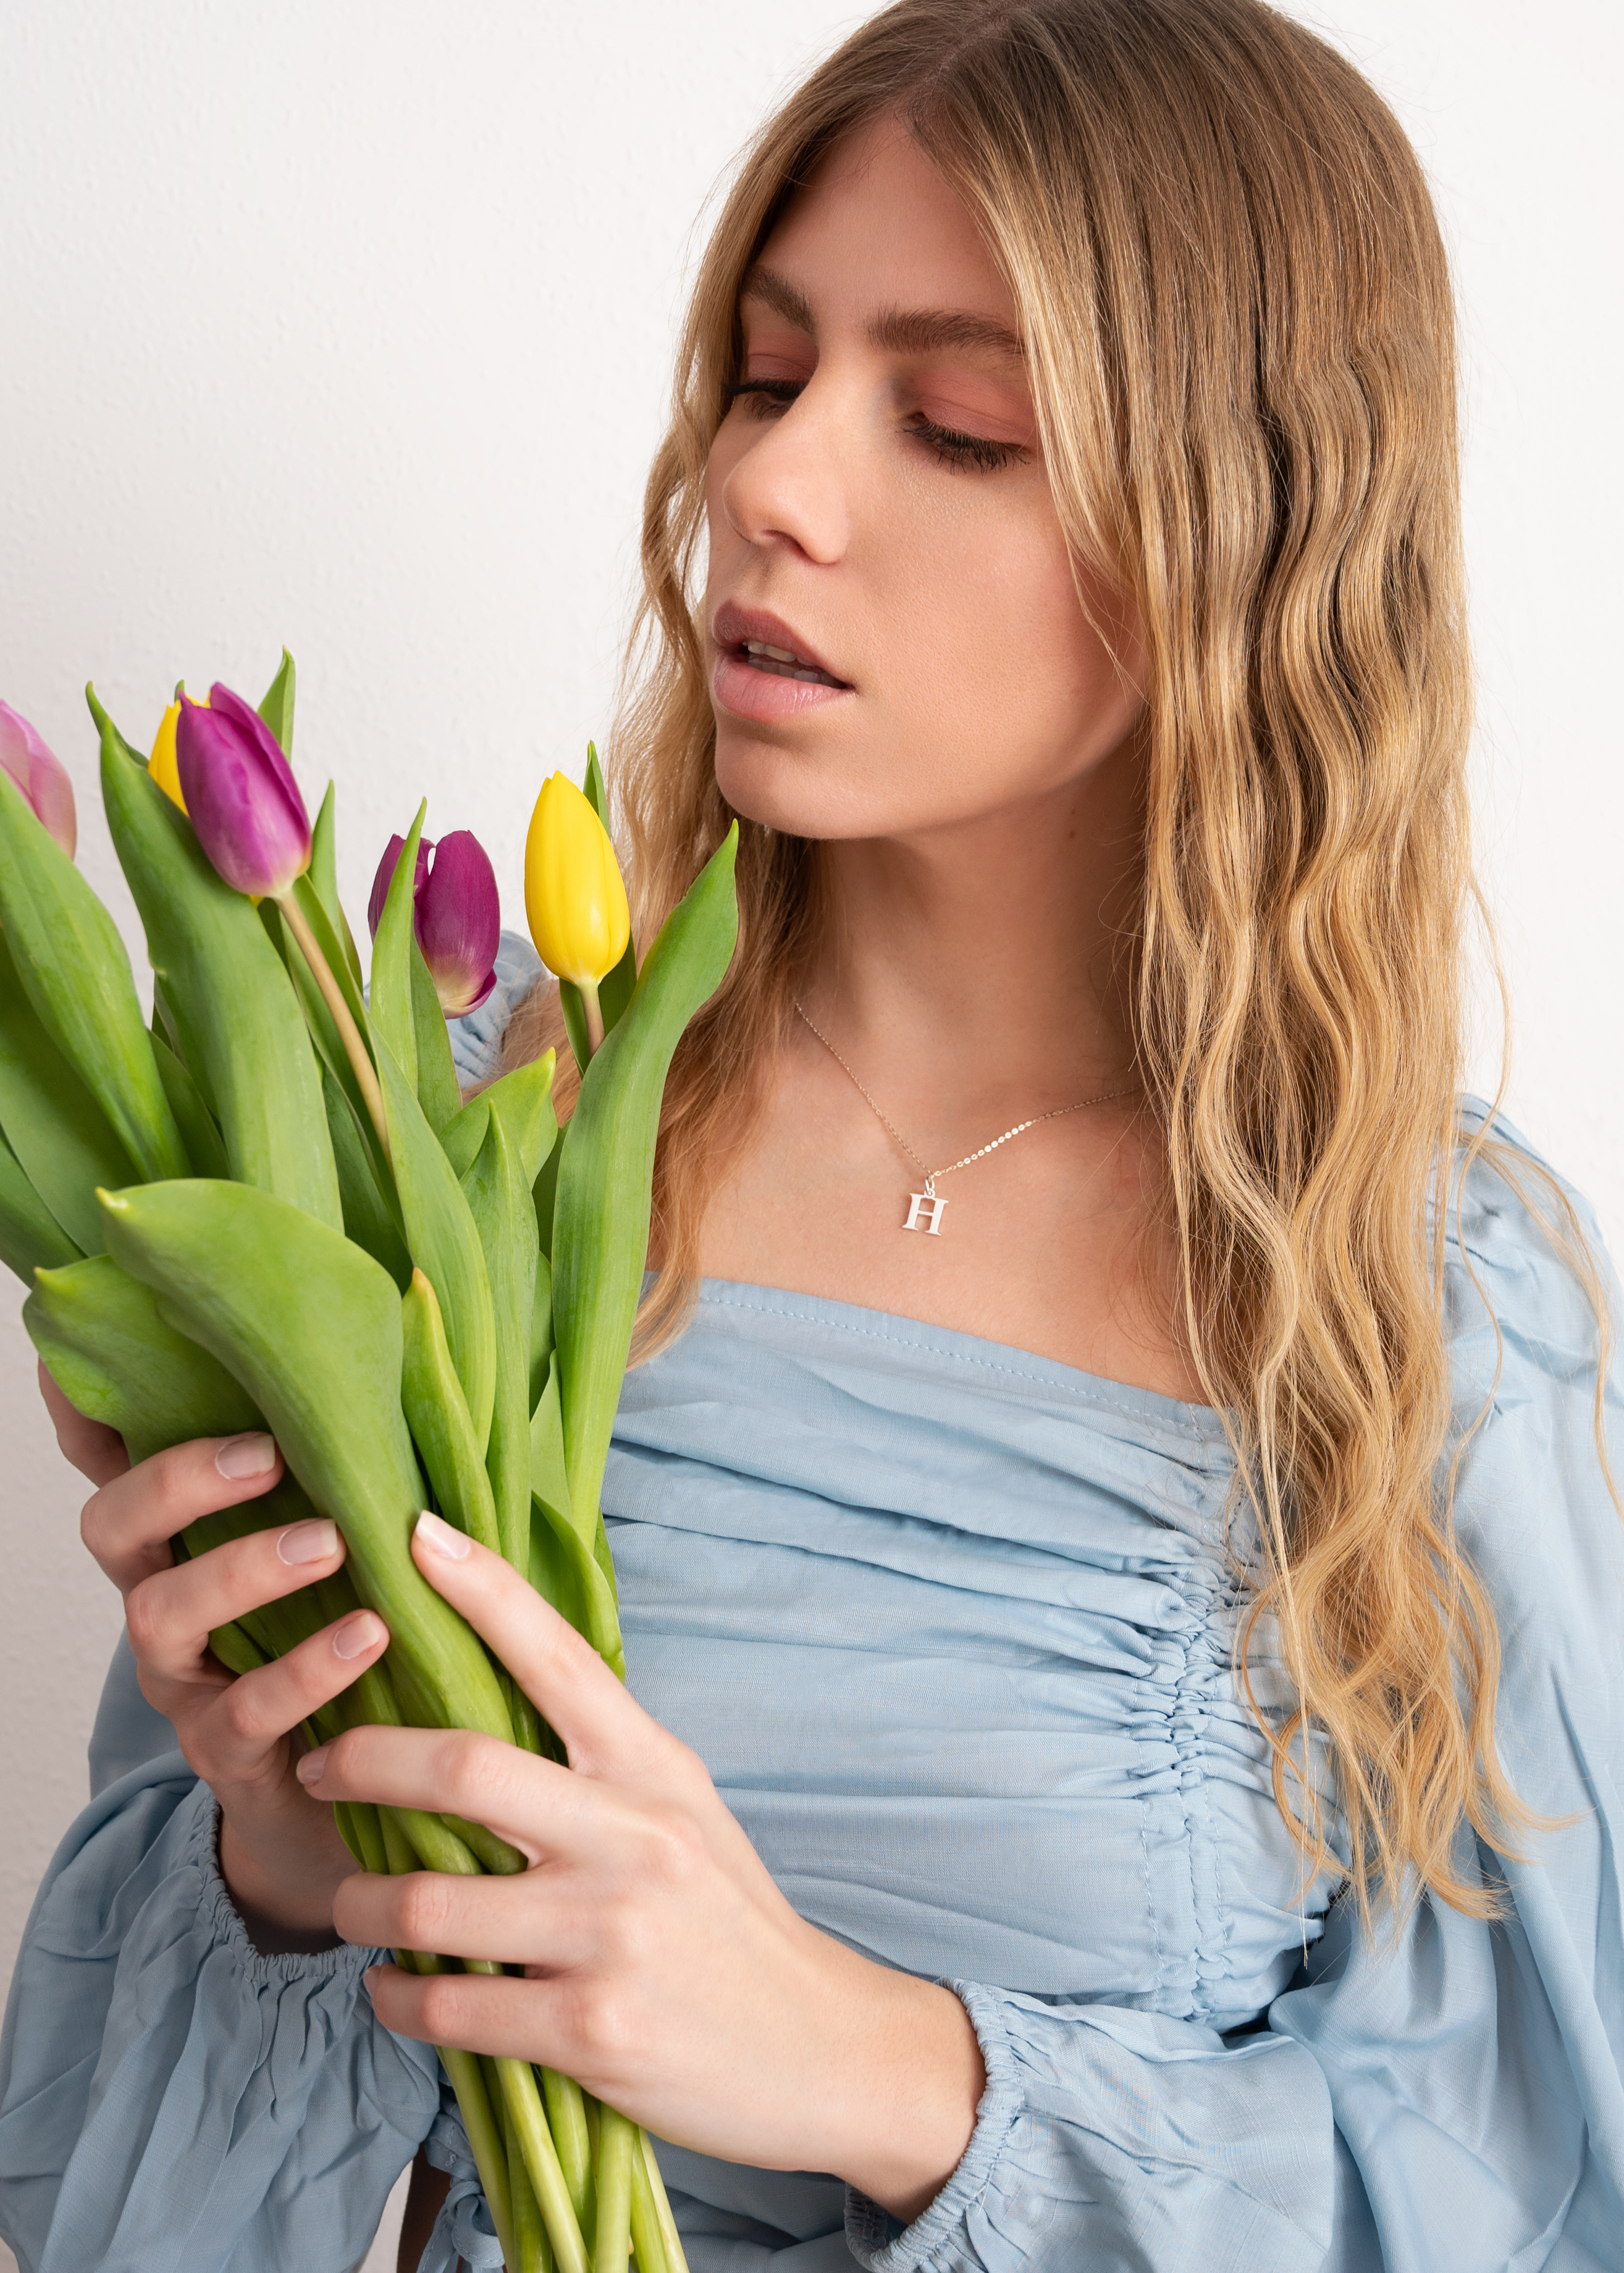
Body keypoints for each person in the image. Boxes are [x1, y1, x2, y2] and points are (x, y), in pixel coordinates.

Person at [3, 1, 1622, 2267]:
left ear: (1237, 538)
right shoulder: (454, 1153)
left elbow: (1524, 2189)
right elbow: (92, 2181)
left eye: (956, 424)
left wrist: (868, 2062)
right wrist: (288, 1850)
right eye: (768, 377)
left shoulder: (1424, 1301)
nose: (772, 485)